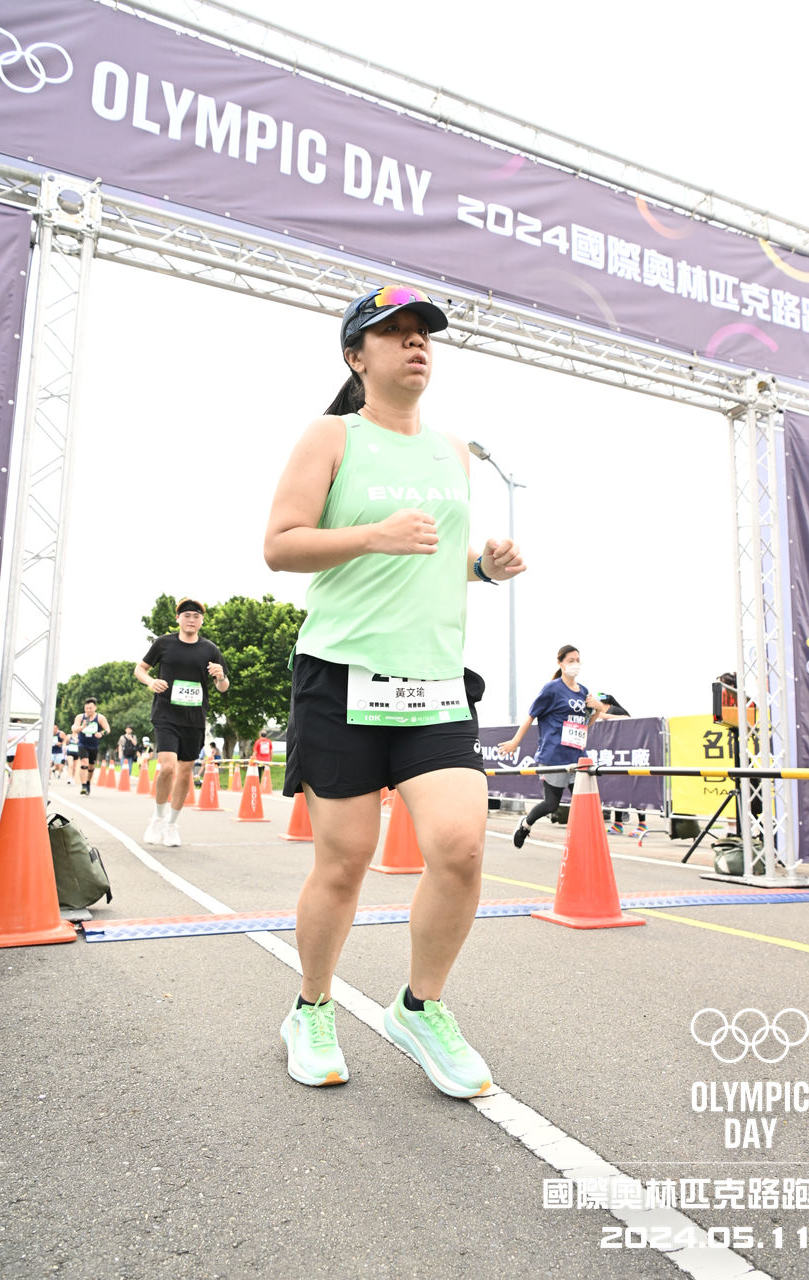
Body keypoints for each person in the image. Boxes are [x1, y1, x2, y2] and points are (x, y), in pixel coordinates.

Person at [264, 282, 525, 1096]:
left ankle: (419, 1006)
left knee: (461, 846)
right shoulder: (331, 436)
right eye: (395, 333)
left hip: (433, 680)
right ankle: (310, 1008)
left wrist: (483, 566)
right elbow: (280, 545)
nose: (416, 344)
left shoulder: (453, 452)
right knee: (344, 863)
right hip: (341, 675)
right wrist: (371, 535)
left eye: (424, 334)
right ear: (357, 356)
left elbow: (436, 558)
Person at [133, 597, 229, 848]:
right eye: (187, 615)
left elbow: (222, 687)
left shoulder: (210, 649)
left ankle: (172, 824)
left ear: (202, 621)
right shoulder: (163, 643)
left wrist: (220, 677)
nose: (191, 620)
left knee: (185, 772)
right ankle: (157, 817)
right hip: (165, 714)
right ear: (178, 618)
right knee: (167, 768)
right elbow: (140, 669)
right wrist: (151, 682)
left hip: (194, 718)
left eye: (196, 616)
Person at [498, 646, 589, 847]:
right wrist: (515, 741)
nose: (575, 664)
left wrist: (597, 710)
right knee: (551, 804)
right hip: (554, 755)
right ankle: (525, 825)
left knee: (584, 804)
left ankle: (581, 844)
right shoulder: (552, 689)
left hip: (578, 757)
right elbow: (531, 715)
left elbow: (585, 724)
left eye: (578, 660)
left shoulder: (584, 692)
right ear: (560, 663)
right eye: (571, 660)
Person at [585, 691, 647, 837]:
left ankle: (642, 825)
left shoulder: (615, 711)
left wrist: (602, 715)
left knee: (635, 791)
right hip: (615, 758)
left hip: (628, 758)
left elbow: (628, 718)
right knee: (618, 792)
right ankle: (618, 824)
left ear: (606, 704)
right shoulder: (602, 715)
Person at [72, 699, 111, 795]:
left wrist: (101, 733)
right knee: (84, 762)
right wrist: (82, 727)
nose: (88, 710)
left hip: (94, 745)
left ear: (95, 708)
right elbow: (74, 729)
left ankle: (88, 782)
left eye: (90, 708)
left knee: (91, 766)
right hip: (82, 743)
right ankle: (83, 785)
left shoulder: (100, 717)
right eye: (86, 708)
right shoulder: (80, 717)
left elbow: (107, 729)